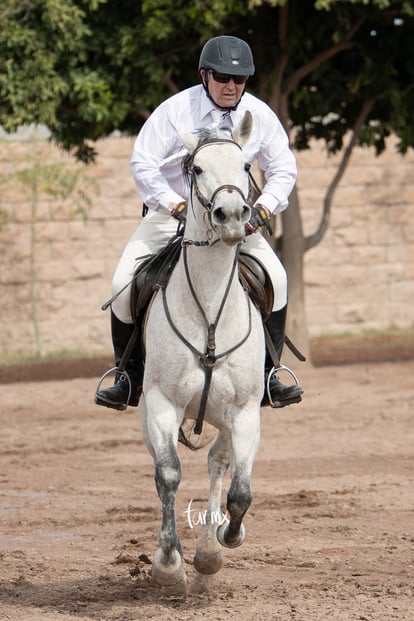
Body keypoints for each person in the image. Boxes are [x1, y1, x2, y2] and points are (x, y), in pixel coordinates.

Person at [95, 35, 303, 411]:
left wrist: (265, 209)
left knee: (279, 277)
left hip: (234, 220)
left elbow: (283, 167)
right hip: (168, 217)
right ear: (205, 75)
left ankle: (271, 374)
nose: (231, 86)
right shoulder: (175, 111)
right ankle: (128, 378)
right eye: (223, 77)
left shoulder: (258, 114)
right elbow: (142, 162)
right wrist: (174, 205)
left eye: (239, 80)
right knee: (122, 284)